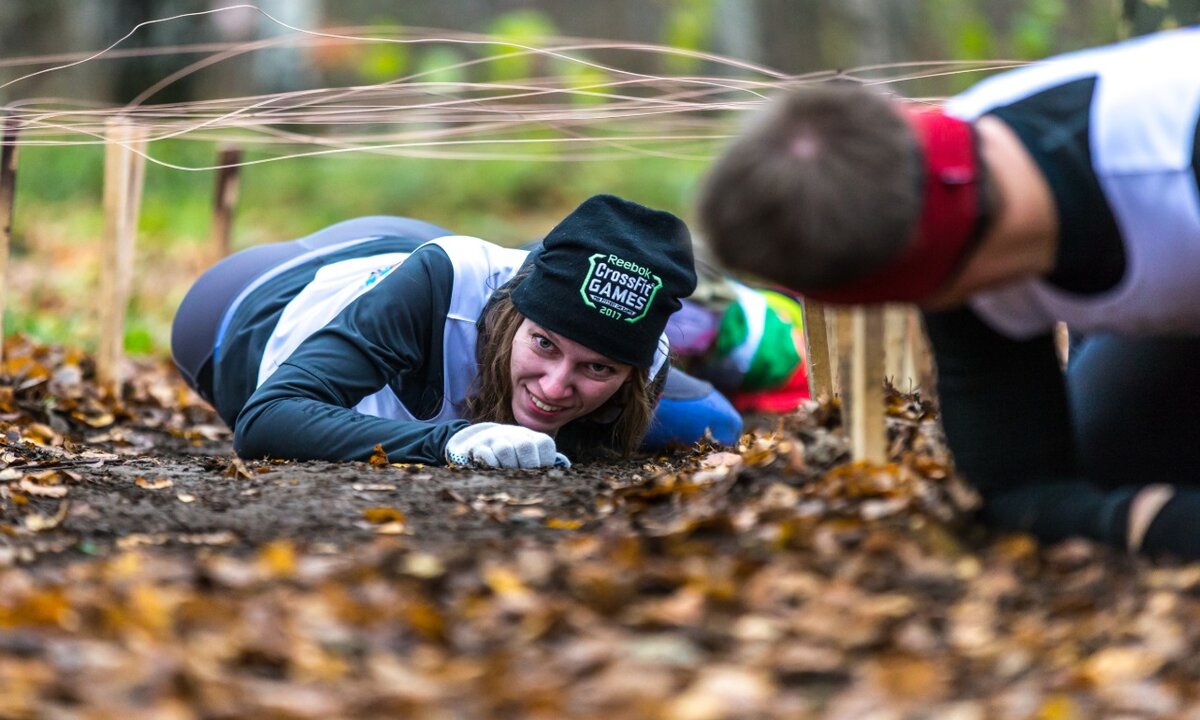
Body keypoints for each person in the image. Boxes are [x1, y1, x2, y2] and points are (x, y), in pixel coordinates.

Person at [697, 28, 1200, 558]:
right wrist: (1144, 520)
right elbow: (1019, 490)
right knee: (1111, 452)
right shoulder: (941, 221)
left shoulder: (1165, 153)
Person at [172, 194, 742, 469]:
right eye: (544, 344)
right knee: (445, 269)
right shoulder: (444, 279)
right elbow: (267, 418)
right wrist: (450, 440)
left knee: (711, 421)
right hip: (256, 299)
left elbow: (721, 426)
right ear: (516, 313)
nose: (554, 386)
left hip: (431, 266)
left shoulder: (646, 348)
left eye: (598, 368)